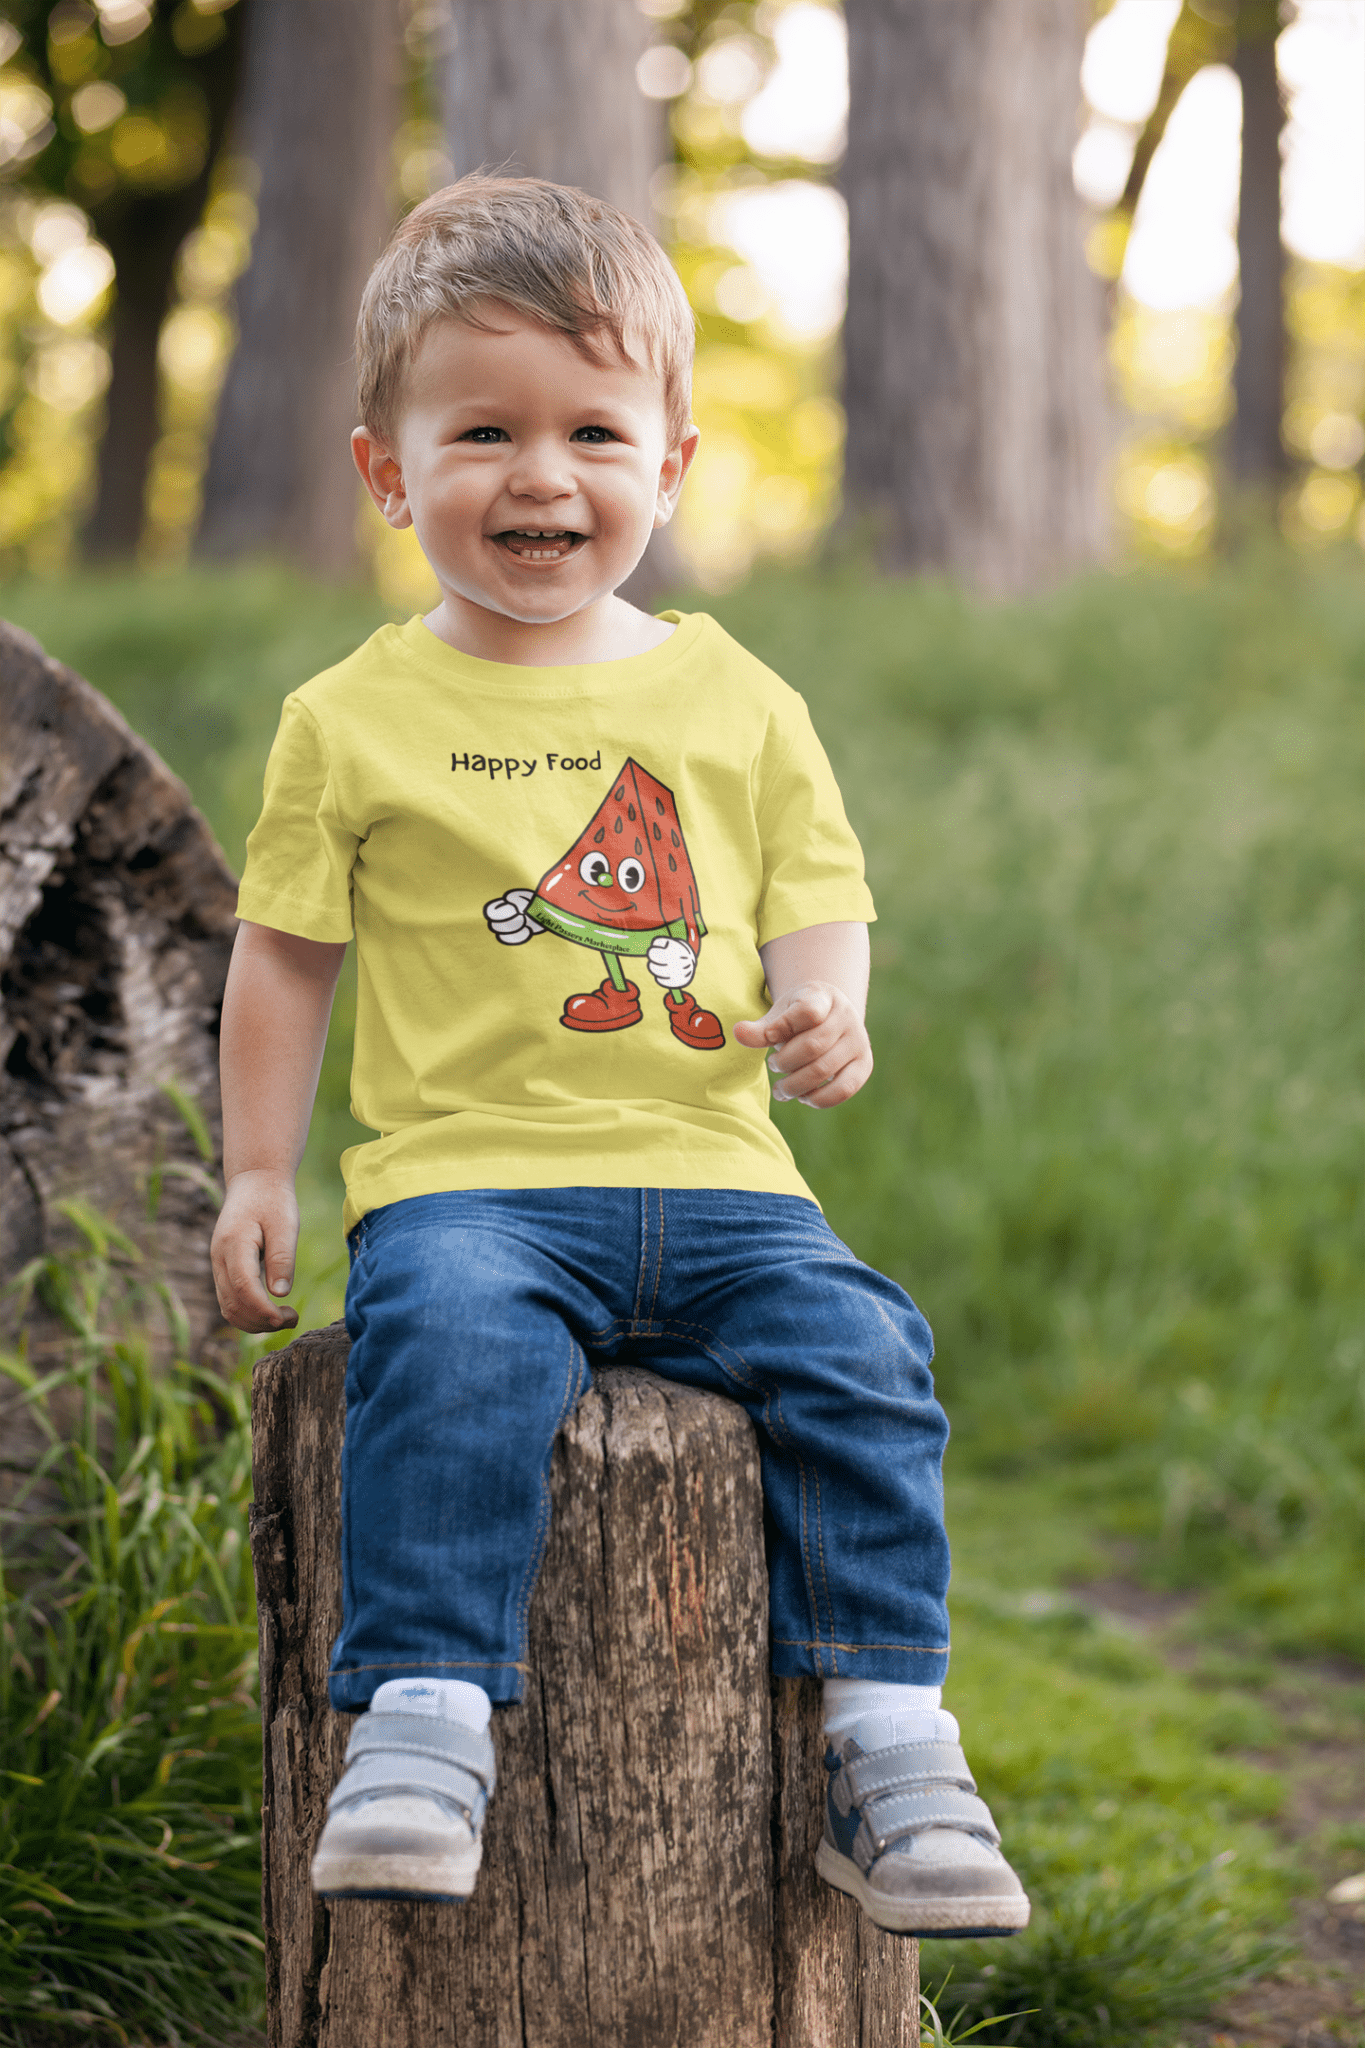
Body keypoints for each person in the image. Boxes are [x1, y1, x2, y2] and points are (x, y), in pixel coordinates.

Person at [211, 174, 1029, 1941]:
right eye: (483, 429)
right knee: (446, 1359)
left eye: (593, 431)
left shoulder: (737, 697)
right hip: (473, 1184)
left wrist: (830, 1004)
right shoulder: (347, 719)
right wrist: (263, 1170)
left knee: (869, 1354)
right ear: (386, 471)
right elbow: (283, 958)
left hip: (724, 1180)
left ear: (666, 467)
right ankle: (422, 1718)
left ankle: (890, 1743)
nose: (540, 475)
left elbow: (821, 893)